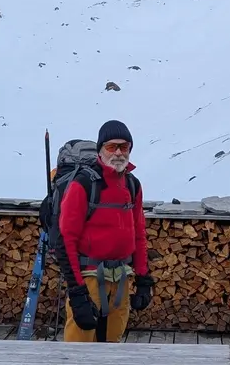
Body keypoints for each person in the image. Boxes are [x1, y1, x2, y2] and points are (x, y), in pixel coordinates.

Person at [53, 119, 154, 342]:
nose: (118, 152)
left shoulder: (132, 185)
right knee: (79, 348)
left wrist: (144, 280)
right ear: (101, 150)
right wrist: (78, 294)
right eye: (111, 147)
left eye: (124, 147)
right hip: (88, 277)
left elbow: (138, 234)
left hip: (122, 278)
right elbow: (65, 240)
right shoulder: (84, 184)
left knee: (112, 344)